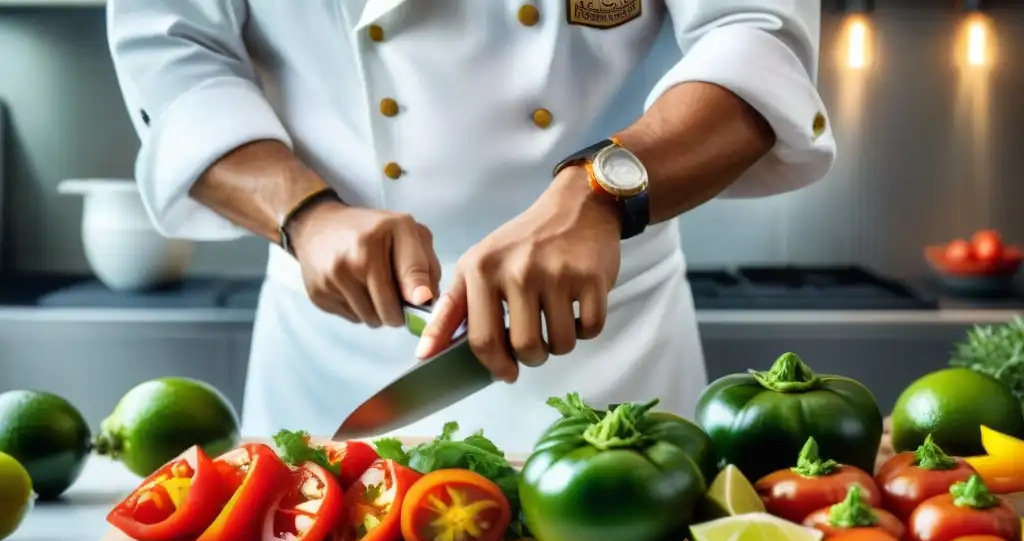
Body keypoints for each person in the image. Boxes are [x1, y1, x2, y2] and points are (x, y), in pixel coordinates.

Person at [107, 0, 835, 454]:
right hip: (342, 332)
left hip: (608, 345)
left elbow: (757, 36)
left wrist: (599, 193)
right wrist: (303, 214)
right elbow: (173, 52)